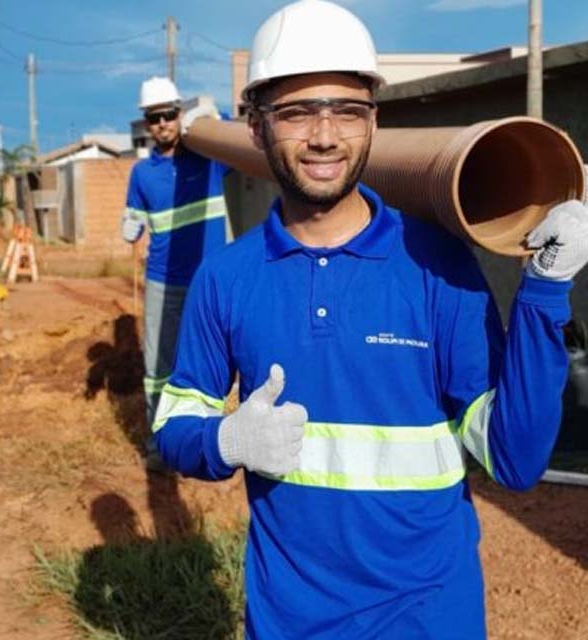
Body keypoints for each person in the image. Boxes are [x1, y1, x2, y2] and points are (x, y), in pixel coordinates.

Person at [152, 0, 588, 637]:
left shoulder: (438, 265)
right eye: (297, 112)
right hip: (288, 622)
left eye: (347, 111)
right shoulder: (228, 277)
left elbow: (514, 460)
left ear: (373, 122)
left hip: (430, 619)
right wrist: (223, 441)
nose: (325, 136)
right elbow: (173, 424)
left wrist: (545, 291)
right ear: (255, 127)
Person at [121, 76, 230, 472]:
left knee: (213, 361)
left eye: (168, 115)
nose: (162, 124)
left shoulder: (209, 159)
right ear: (146, 124)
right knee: (158, 367)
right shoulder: (141, 174)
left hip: (210, 282)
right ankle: (160, 442)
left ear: (179, 114)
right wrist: (129, 225)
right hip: (163, 282)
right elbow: (133, 218)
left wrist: (209, 117)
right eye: (154, 118)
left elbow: (242, 133)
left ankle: (210, 440)